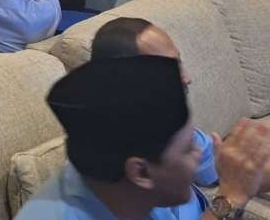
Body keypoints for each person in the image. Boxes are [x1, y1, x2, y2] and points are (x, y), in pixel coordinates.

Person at [15, 55, 270, 220]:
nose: (199, 153)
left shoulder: (108, 176)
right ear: (141, 172)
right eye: (188, 148)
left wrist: (250, 174)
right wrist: (229, 199)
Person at [91, 17, 270, 204]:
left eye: (178, 62)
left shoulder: (172, 126)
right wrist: (229, 200)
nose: (186, 78)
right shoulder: (112, 175)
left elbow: (232, 172)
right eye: (167, 70)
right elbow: (233, 187)